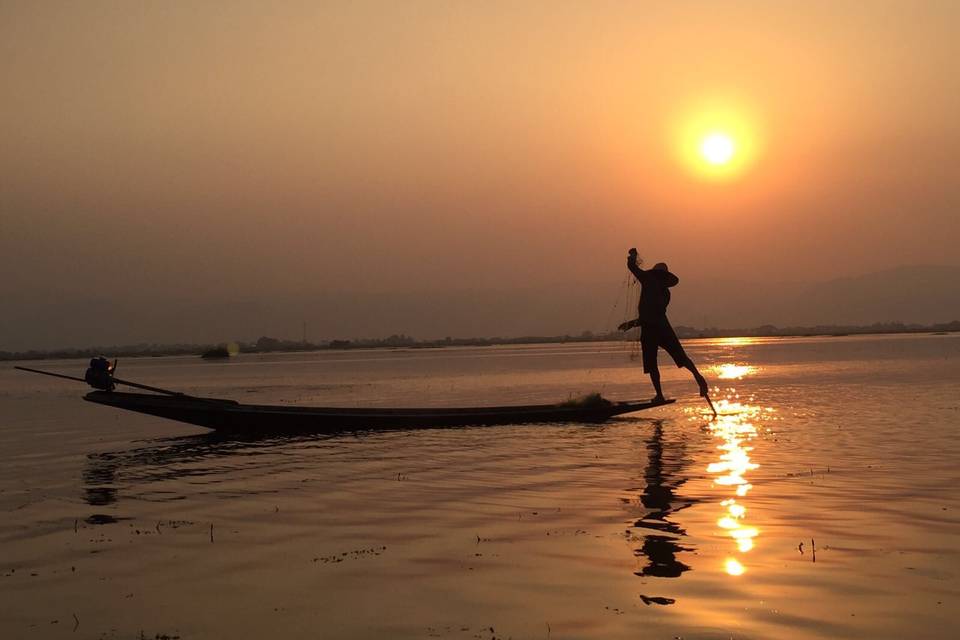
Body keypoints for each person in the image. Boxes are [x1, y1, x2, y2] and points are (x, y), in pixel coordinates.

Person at [618, 248, 709, 402]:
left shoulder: (649, 281)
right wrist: (632, 323)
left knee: (653, 363)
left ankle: (660, 394)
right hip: (662, 327)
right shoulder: (665, 292)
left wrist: (632, 256)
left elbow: (632, 267)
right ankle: (699, 378)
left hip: (652, 329)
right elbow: (653, 314)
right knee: (680, 357)